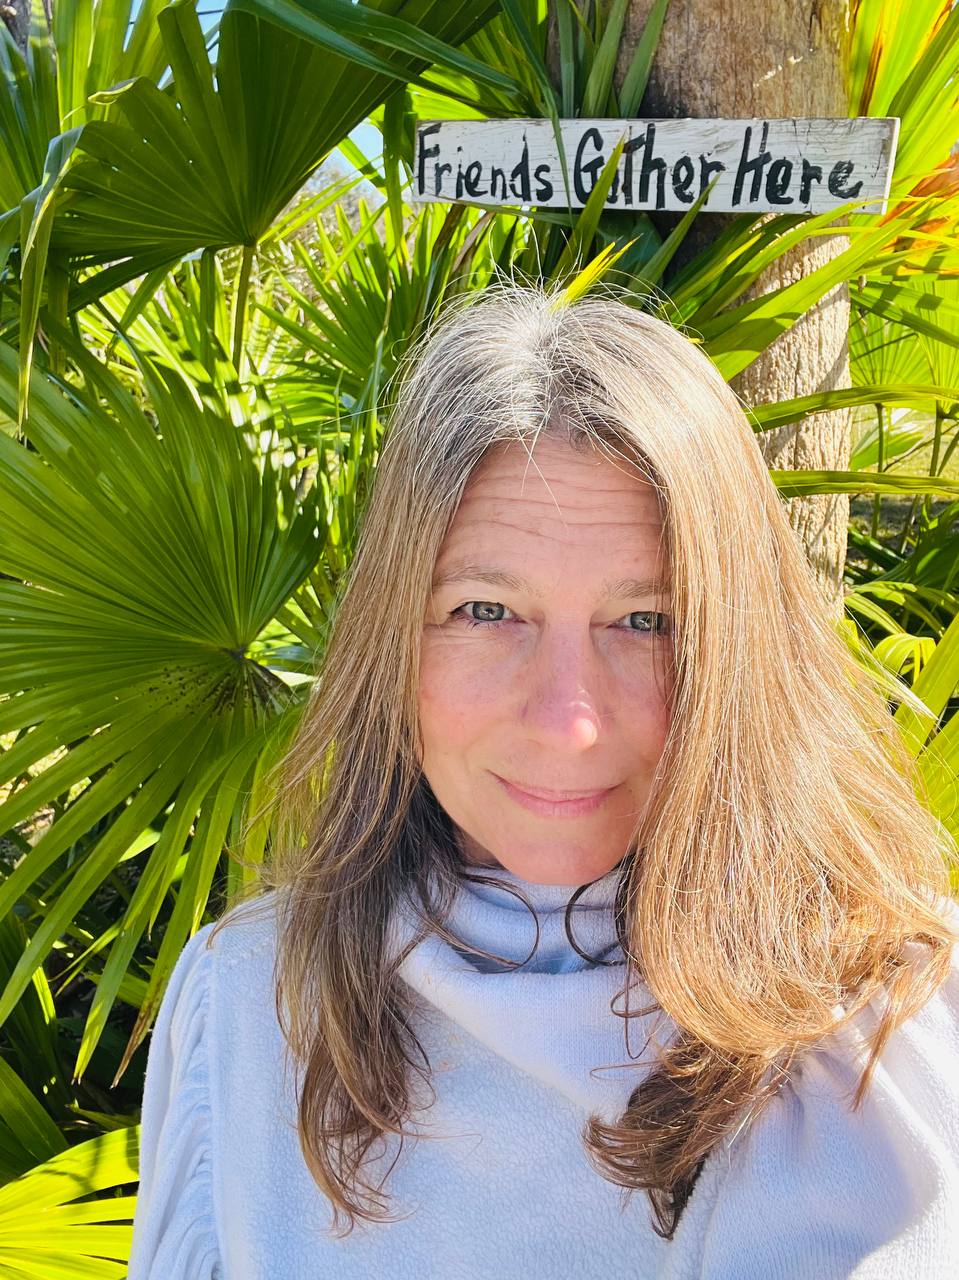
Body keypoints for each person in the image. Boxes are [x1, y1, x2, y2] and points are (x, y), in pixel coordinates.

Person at [127, 280, 959, 1280]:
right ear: (390, 636)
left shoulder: (898, 1017)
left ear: (735, 649)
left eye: (645, 620)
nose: (568, 720)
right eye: (485, 610)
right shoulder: (251, 1002)